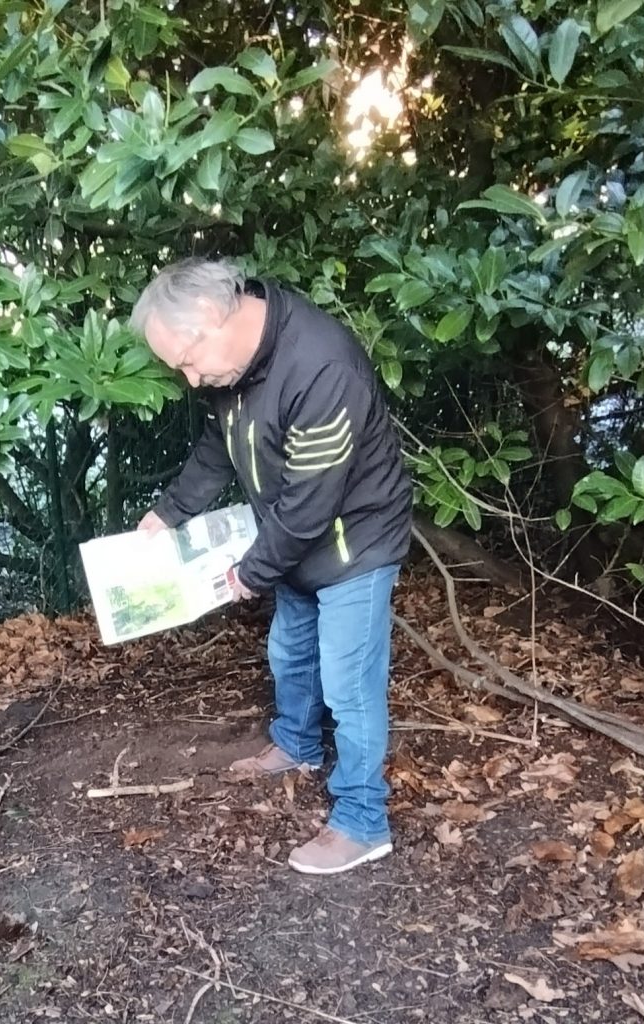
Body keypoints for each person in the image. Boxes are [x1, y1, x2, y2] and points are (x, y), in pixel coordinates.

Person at [131, 258, 412, 876]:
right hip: (296, 542)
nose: (191, 379)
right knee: (290, 653)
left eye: (187, 360)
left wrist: (252, 572)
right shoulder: (237, 362)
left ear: (213, 313)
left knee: (349, 684)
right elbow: (219, 446)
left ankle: (363, 822)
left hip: (354, 544)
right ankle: (297, 745)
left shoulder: (322, 365)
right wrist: (169, 513)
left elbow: (311, 502)